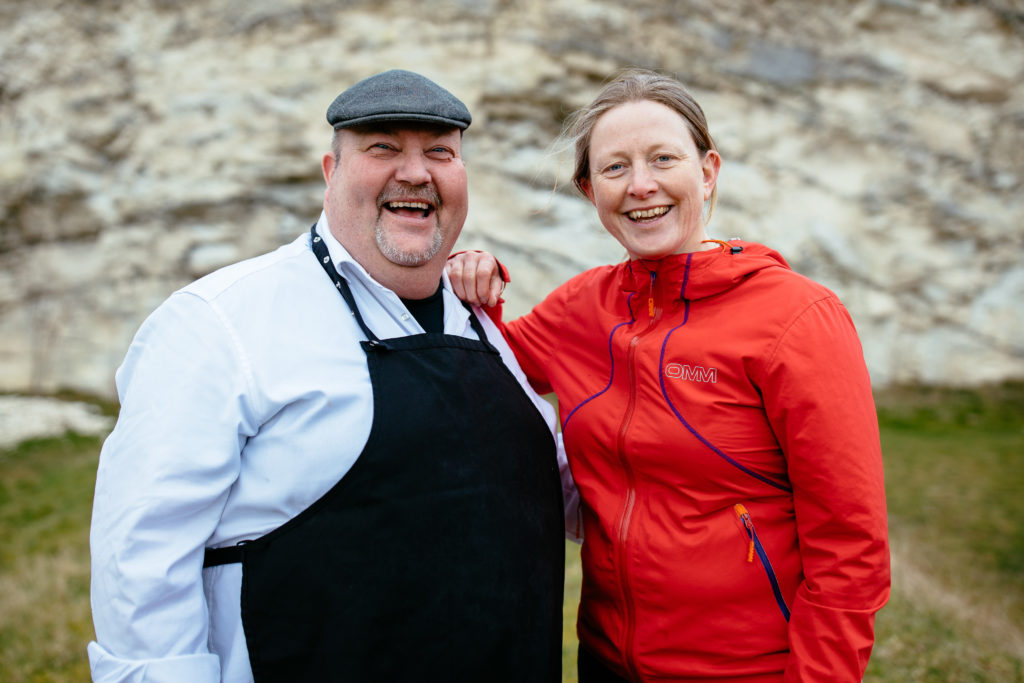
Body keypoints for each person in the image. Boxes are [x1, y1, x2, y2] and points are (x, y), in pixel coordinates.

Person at [88, 69, 578, 682]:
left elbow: (574, 502)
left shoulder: (489, 327)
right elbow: (140, 559)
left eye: (440, 152)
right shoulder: (220, 323)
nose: (416, 172)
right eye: (383, 148)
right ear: (330, 172)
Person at [448, 68, 891, 682]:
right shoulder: (581, 307)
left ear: (708, 172)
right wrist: (476, 286)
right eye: (614, 168)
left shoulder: (797, 317)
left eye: (663, 159)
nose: (641, 185)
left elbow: (851, 545)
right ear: (588, 190)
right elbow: (481, 373)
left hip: (745, 670)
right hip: (605, 659)